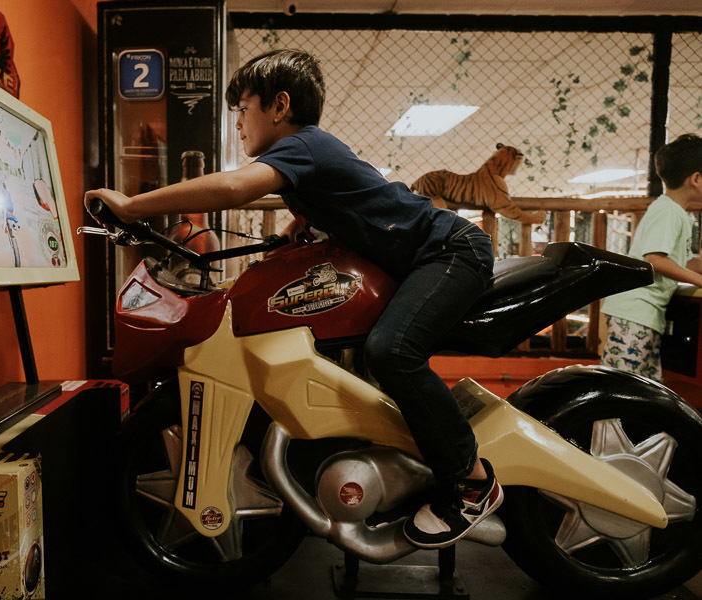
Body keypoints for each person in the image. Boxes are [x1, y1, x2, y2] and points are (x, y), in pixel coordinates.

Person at [84, 49, 502, 548]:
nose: (237, 123)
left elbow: (236, 188)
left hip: (451, 250)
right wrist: (291, 240)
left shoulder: (305, 146)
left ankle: (472, 480)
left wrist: (133, 206)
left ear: (278, 106)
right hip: (419, 257)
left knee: (392, 350)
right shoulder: (307, 158)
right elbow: (328, 211)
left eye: (242, 108)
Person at [601, 133, 702, 381]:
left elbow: (683, 261)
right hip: (634, 311)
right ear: (697, 179)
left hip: (645, 313)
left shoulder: (676, 212)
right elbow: (655, 260)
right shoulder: (668, 211)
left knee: (647, 386)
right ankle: (604, 421)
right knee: (621, 387)